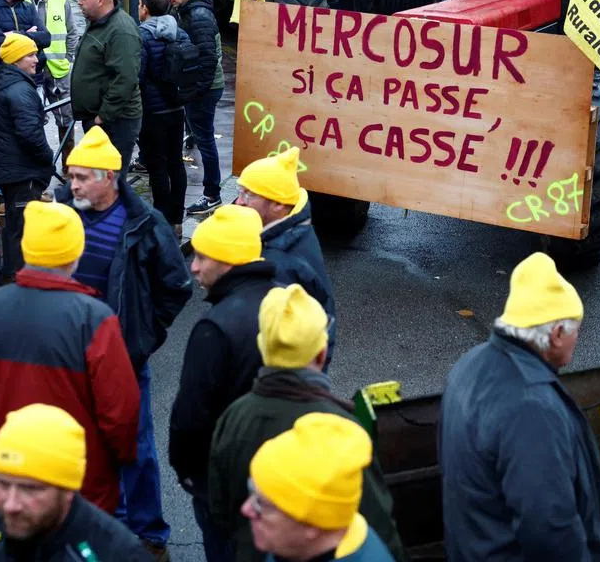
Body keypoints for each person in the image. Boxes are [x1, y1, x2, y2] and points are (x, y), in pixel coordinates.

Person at [56, 126, 192, 559]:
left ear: (109, 178)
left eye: (80, 177)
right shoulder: (65, 212)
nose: (71, 184)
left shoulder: (144, 222)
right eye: (71, 175)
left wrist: (143, 336)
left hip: (124, 359)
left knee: (135, 447)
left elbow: (176, 285)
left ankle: (149, 533)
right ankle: (99, 528)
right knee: (82, 446)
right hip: (73, 356)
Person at [208, 285, 406, 562]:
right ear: (321, 353)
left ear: (262, 348)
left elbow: (219, 507)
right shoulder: (343, 431)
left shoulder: (233, 418)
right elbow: (378, 521)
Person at [0, 201, 141, 514]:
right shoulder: (95, 318)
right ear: (75, 253)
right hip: (79, 487)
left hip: (12, 482)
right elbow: (120, 415)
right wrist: (121, 460)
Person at [440, 252, 600, 562]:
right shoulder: (533, 409)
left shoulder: (469, 365)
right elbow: (549, 529)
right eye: (575, 330)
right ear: (556, 335)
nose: (577, 339)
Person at [169, 204, 278, 562]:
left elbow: (190, 416)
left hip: (223, 483)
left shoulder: (215, 327)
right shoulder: (282, 304)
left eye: (203, 256)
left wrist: (189, 474)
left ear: (228, 261)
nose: (194, 266)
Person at [0, 404, 151, 562]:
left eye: (30, 488)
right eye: (4, 484)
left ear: (68, 488)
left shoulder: (120, 554)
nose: (10, 504)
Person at [244, 413, 395, 562]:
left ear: (313, 525)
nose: (246, 509)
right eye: (251, 490)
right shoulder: (294, 549)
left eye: (261, 504)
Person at [236, 146, 337, 359]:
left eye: (248, 194)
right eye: (240, 192)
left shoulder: (280, 265)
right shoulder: (293, 230)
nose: (239, 202)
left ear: (278, 204)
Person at [0, 33, 54, 278]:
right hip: (22, 170)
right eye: (30, 55)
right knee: (21, 232)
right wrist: (48, 156)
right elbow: (30, 133)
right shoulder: (20, 90)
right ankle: (19, 282)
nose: (37, 59)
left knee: (14, 229)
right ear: (15, 60)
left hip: (7, 168)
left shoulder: (2, 83)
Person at [160, 0, 224, 216]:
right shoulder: (188, 8)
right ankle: (212, 192)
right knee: (203, 136)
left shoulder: (198, 15)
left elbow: (208, 60)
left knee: (206, 140)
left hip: (204, 89)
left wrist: (193, 92)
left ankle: (212, 195)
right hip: (200, 87)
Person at [69, 0, 143, 175]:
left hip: (115, 122)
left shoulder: (120, 30)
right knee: (98, 179)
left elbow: (125, 79)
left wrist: (102, 117)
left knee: (110, 182)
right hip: (101, 119)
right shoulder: (98, 22)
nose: (79, 1)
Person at [136, 0, 191, 235]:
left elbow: (138, 75)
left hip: (153, 111)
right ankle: (177, 221)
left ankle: (161, 220)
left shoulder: (143, 36)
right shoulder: (178, 33)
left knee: (157, 167)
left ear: (145, 9)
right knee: (175, 162)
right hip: (177, 106)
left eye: (140, 4)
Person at [23, 0, 80, 167]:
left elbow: (72, 32)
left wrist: (68, 58)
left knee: (66, 118)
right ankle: (40, 164)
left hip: (59, 70)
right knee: (33, 118)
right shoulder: (21, 0)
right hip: (32, 70)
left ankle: (68, 164)